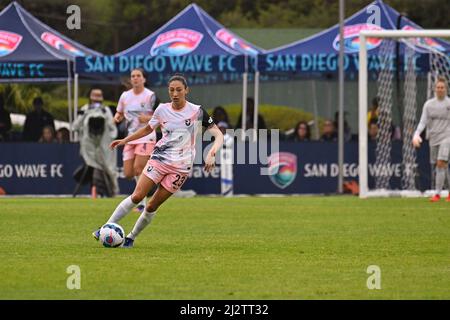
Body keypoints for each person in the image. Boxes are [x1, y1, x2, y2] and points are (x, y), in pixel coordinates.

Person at [93, 74, 224, 248]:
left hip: (181, 168)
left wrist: (212, 153)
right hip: (159, 159)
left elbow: (218, 135)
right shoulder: (162, 109)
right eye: (171, 90)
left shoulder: (197, 111)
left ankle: (131, 237)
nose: (175, 93)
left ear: (186, 90)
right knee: (138, 195)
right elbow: (147, 129)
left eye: (179, 90)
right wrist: (126, 140)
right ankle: (105, 227)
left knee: (153, 205)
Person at [114, 68, 157, 211]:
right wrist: (117, 117)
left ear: (144, 79)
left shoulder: (150, 96)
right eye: (133, 76)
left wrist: (147, 118)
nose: (135, 78)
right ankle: (150, 183)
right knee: (128, 173)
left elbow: (162, 115)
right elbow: (119, 112)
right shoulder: (125, 96)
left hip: (146, 136)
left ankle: (142, 203)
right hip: (130, 137)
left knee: (138, 168)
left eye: (138, 76)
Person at [73, 87, 119, 197]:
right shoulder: (85, 108)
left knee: (109, 169)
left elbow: (113, 131)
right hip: (89, 147)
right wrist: (85, 113)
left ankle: (112, 191)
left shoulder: (106, 110)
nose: (96, 102)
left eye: (98, 98)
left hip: (104, 147)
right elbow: (75, 126)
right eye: (94, 98)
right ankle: (96, 191)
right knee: (93, 167)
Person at [413, 77, 450, 202]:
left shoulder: (449, 103)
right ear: (435, 89)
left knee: (441, 163)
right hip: (434, 138)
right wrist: (416, 134)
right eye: (438, 87)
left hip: (447, 137)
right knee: (442, 166)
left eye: (442, 87)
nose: (440, 89)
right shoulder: (429, 105)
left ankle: (437, 194)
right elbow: (423, 121)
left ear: (446, 89)